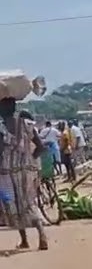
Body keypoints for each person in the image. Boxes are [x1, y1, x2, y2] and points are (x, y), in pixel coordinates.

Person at [0, 96, 49, 250]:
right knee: (29, 203)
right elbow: (41, 147)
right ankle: (41, 234)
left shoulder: (1, 129)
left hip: (7, 173)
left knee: (13, 204)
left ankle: (25, 240)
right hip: (27, 172)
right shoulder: (28, 125)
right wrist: (30, 160)